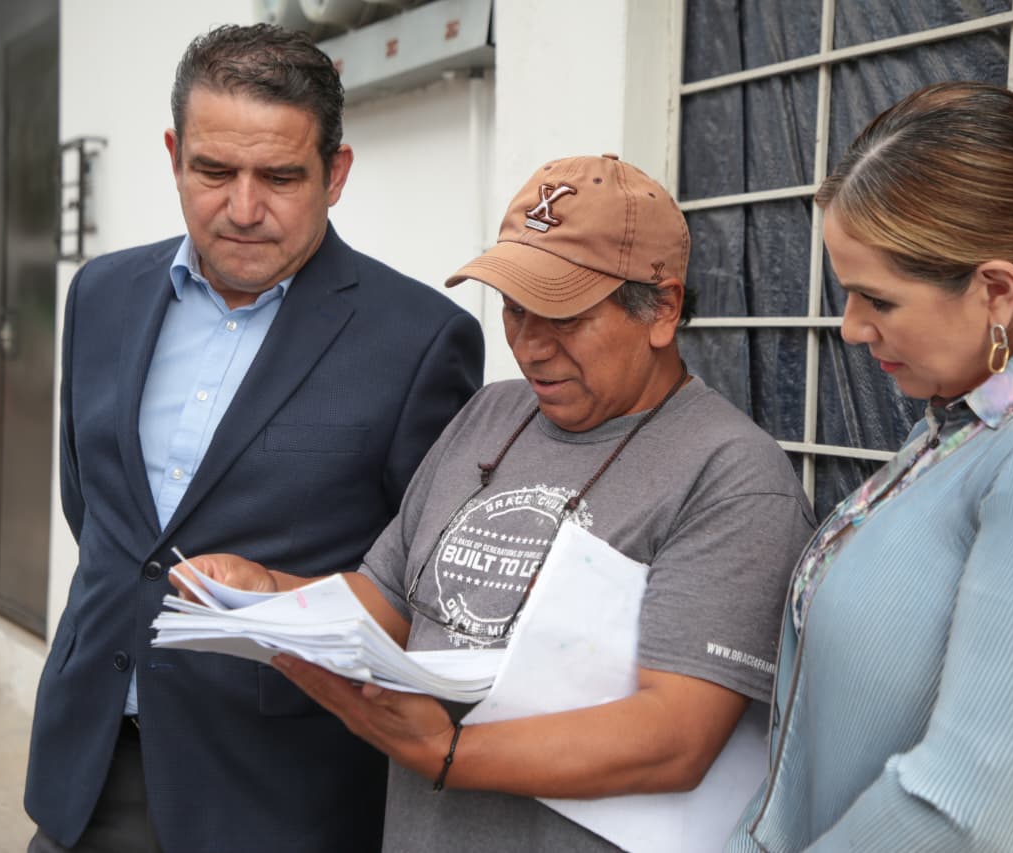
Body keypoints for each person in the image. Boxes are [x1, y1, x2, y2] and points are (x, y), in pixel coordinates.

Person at [176, 153, 815, 851]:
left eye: (563, 314)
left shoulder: (732, 473)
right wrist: (269, 595)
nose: (530, 346)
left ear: (661, 307)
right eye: (514, 308)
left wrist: (450, 755)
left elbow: (675, 737)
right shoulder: (489, 414)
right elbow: (388, 601)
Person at [24, 23, 484, 853]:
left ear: (335, 173)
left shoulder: (420, 340)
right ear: (174, 156)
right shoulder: (100, 295)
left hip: (279, 793)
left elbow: (431, 594)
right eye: (212, 171)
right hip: (87, 766)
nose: (242, 208)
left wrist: (278, 594)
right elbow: (96, 514)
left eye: (279, 176)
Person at [725, 81, 1013, 852]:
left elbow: (961, 808)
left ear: (995, 291)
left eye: (875, 298)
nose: (850, 328)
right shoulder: (980, 414)